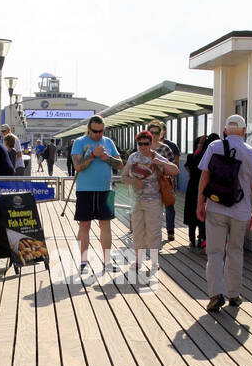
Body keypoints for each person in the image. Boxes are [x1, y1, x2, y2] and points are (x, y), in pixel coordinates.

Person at [197, 116, 252, 313]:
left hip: (216, 207)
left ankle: (216, 294)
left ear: (226, 130)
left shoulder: (214, 147)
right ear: (244, 131)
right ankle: (234, 294)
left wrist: (200, 202)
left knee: (215, 252)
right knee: (235, 251)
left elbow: (204, 176)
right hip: (241, 211)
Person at [121, 130, 179, 281]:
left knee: (153, 230)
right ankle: (139, 260)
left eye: (146, 144)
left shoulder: (156, 156)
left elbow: (175, 170)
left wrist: (162, 163)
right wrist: (135, 182)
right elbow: (124, 177)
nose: (143, 147)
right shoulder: (133, 157)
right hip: (137, 200)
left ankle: (154, 262)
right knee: (138, 230)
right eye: (140, 144)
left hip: (153, 200)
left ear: (151, 143)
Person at [70, 115, 122, 274]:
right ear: (88, 128)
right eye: (95, 131)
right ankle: (83, 261)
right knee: (84, 225)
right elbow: (77, 166)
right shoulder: (79, 142)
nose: (98, 134)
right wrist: (93, 155)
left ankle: (107, 261)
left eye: (101, 131)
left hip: (105, 190)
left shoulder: (108, 142)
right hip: (85, 190)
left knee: (105, 225)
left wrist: (108, 158)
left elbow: (120, 165)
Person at [146, 121, 179, 243]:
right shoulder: (145, 147)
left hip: (164, 183)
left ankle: (170, 231)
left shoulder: (165, 149)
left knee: (169, 206)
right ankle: (154, 234)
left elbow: (174, 166)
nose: (154, 135)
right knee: (152, 210)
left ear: (161, 134)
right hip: (149, 185)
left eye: (156, 132)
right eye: (151, 132)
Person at [184, 132, 218, 249]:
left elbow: (189, 167)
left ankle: (192, 240)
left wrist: (200, 144)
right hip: (207, 188)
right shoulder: (212, 157)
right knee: (203, 215)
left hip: (192, 186)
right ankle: (202, 240)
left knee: (191, 214)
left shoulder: (192, 157)